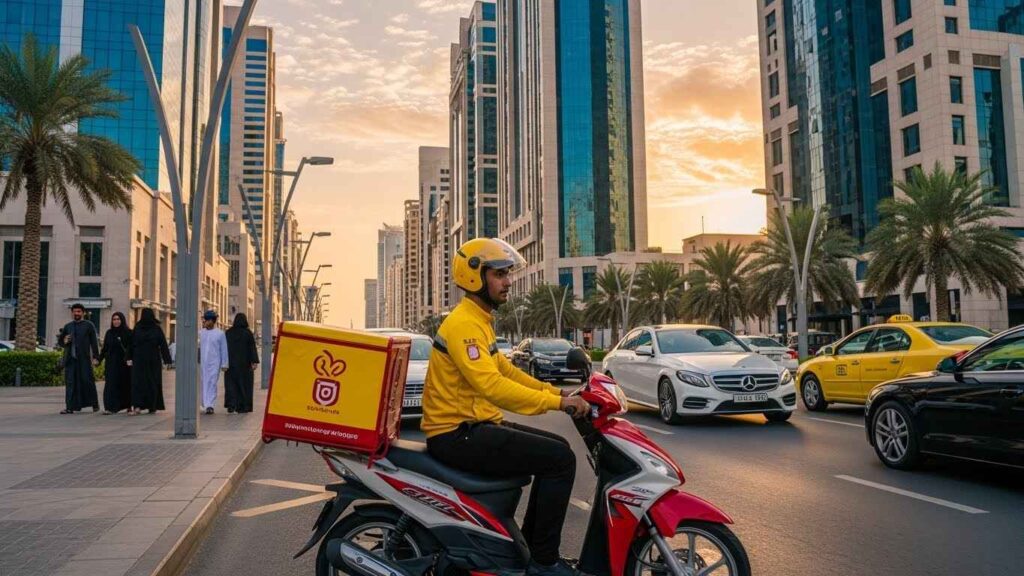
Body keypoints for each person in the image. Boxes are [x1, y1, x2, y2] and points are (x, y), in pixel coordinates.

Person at [421, 238, 590, 576]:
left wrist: (554, 390)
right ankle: (543, 562)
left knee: (558, 450)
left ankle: (530, 552)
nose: (508, 281)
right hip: (457, 434)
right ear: (474, 277)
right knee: (560, 460)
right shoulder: (465, 325)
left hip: (474, 426)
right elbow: (492, 386)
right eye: (499, 274)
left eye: (508, 273)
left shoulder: (478, 319)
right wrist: (556, 403)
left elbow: (504, 370)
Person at [59, 303, 100, 414]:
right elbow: (61, 342)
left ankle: (94, 404)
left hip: (84, 360)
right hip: (70, 360)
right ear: (72, 313)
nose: (76, 313)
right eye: (74, 311)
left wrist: (96, 357)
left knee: (88, 381)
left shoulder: (89, 325)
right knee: (71, 383)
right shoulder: (68, 326)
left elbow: (94, 343)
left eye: (78, 311)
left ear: (83, 313)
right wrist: (65, 341)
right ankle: (70, 407)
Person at [131, 308, 172, 415]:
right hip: (140, 360)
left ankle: (152, 406)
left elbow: (162, 344)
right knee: (138, 383)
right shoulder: (138, 327)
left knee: (152, 383)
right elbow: (132, 344)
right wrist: (128, 358)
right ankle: (137, 406)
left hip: (152, 361)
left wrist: (167, 359)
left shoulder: (156, 329)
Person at [97, 312, 132, 414]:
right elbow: (104, 349)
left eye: (118, 319)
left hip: (124, 364)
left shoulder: (128, 332)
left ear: (122, 320)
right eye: (114, 319)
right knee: (110, 385)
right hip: (111, 363)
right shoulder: (109, 333)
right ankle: (110, 407)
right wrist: (99, 359)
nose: (116, 321)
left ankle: (128, 405)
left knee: (125, 385)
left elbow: (132, 348)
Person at [224, 313, 259, 413]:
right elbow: (252, 348)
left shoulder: (228, 333)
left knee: (231, 385)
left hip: (231, 364)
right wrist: (254, 362)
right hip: (245, 365)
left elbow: (224, 349)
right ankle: (243, 406)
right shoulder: (247, 333)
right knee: (244, 385)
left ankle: (231, 405)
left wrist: (224, 362)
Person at [199, 310, 229, 415]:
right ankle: (205, 403)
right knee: (203, 382)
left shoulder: (220, 334)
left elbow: (224, 350)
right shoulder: (201, 333)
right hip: (203, 363)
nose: (204, 322)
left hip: (215, 363)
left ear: (211, 321)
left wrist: (225, 364)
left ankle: (210, 405)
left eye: (206, 320)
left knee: (212, 383)